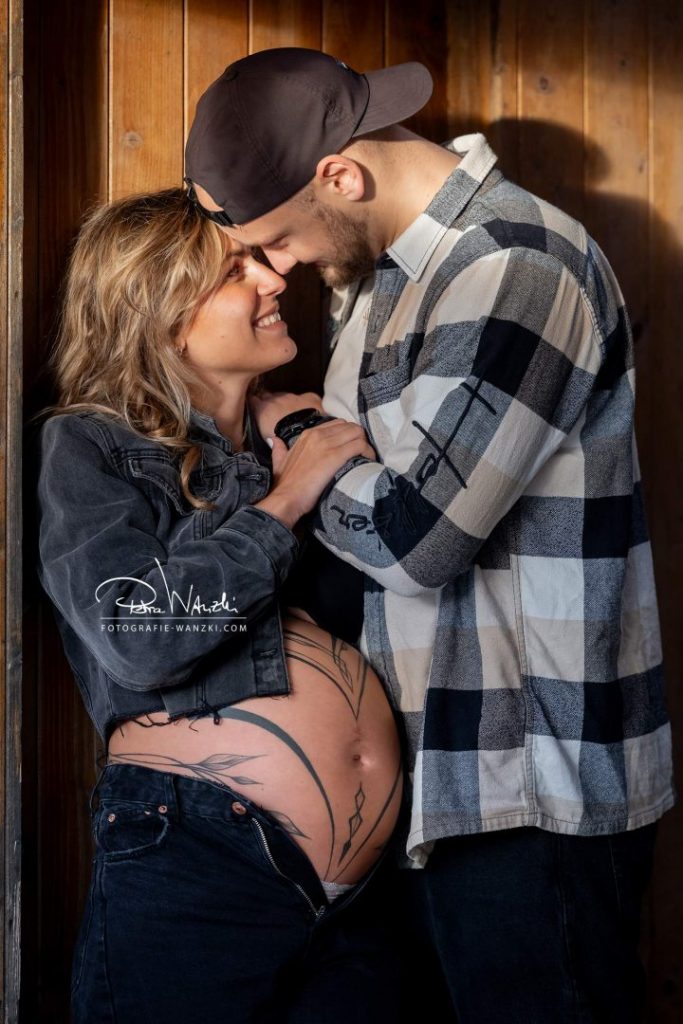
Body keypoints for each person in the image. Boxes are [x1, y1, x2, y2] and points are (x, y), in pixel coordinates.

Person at [184, 47, 675, 1023]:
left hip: (530, 790)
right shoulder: (385, 275)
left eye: (278, 239)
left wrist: (298, 437)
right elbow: (365, 504)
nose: (280, 269)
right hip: (431, 784)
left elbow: (416, 541)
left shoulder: (514, 266)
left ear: (340, 176)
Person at [34, 188, 405, 1024]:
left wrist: (292, 456)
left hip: (355, 899)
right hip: (199, 857)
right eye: (235, 271)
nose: (274, 279)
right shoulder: (91, 446)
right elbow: (143, 636)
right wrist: (286, 499)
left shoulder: (292, 443)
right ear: (164, 313)